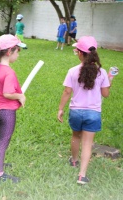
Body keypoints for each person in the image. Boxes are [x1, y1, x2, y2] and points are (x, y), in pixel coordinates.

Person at [57, 36, 111, 185]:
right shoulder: (102, 72)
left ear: (80, 53)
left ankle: (74, 161)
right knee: (87, 144)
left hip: (75, 112)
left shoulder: (73, 71)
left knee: (75, 137)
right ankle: (82, 176)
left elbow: (67, 92)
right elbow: (105, 94)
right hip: (93, 113)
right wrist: (109, 81)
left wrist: (60, 109)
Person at [0, 34, 26, 182]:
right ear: (9, 52)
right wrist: (20, 97)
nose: (18, 55)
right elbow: (8, 93)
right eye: (17, 52)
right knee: (3, 141)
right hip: (6, 112)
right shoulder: (9, 72)